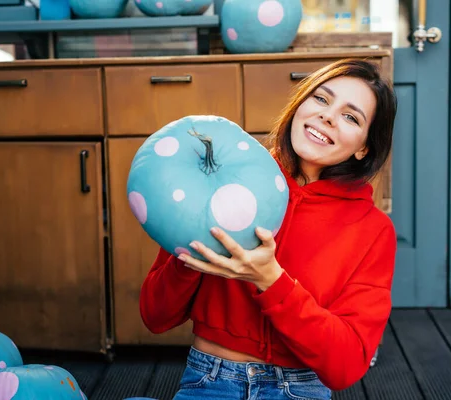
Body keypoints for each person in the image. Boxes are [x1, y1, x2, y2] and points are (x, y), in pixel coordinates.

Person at [139, 58, 398, 400]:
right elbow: (155, 316)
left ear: (365, 145)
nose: (328, 116)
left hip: (300, 389)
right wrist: (190, 253)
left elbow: (345, 365)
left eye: (351, 117)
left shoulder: (373, 230)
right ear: (300, 104)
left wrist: (270, 281)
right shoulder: (224, 179)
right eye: (321, 99)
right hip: (210, 378)